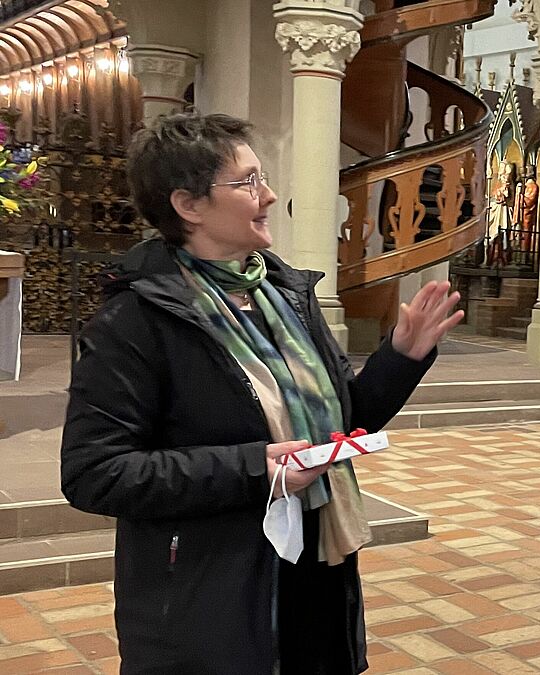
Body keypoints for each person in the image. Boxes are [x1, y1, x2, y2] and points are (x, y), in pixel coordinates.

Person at [60, 113, 463, 674]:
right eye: (247, 182)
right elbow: (95, 472)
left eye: (262, 176)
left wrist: (401, 357)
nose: (269, 195)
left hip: (315, 568)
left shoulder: (284, 295)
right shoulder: (134, 321)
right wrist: (255, 469)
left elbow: (343, 425)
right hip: (212, 594)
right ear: (189, 205)